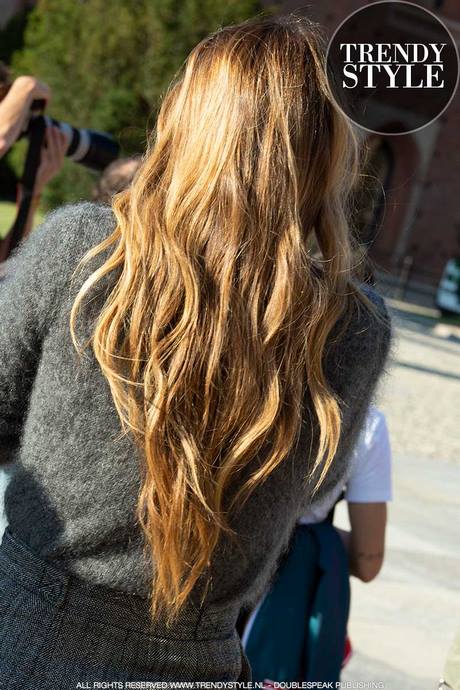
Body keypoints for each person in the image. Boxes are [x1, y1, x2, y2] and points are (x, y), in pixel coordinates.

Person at [0, 15, 392, 686]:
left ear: (186, 119)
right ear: (328, 151)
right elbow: (315, 489)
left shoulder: (84, 252)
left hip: (31, 636)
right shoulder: (354, 325)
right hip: (203, 657)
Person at [239, 405, 392, 683]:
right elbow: (367, 560)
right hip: (287, 595)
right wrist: (317, 537)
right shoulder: (363, 421)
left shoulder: (234, 392)